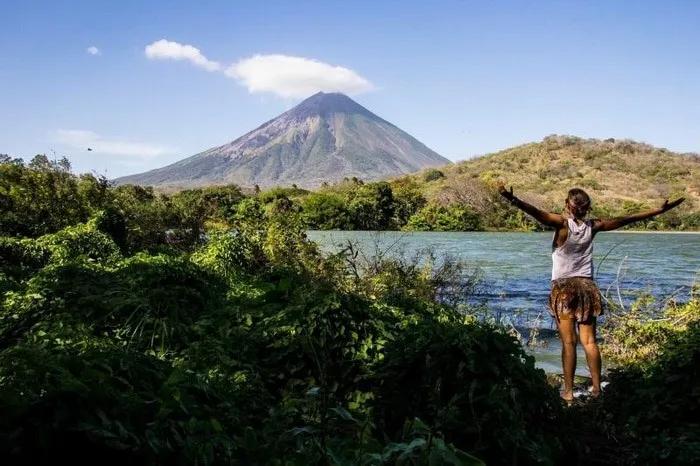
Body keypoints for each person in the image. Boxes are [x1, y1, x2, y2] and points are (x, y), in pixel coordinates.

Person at [497, 183, 684, 402]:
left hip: (564, 289)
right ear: (587, 208)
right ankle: (597, 390)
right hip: (587, 288)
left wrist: (512, 199)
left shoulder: (561, 223)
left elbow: (536, 213)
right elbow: (626, 219)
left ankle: (568, 392)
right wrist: (657, 211)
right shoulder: (593, 226)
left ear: (568, 204)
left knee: (569, 343)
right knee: (590, 342)